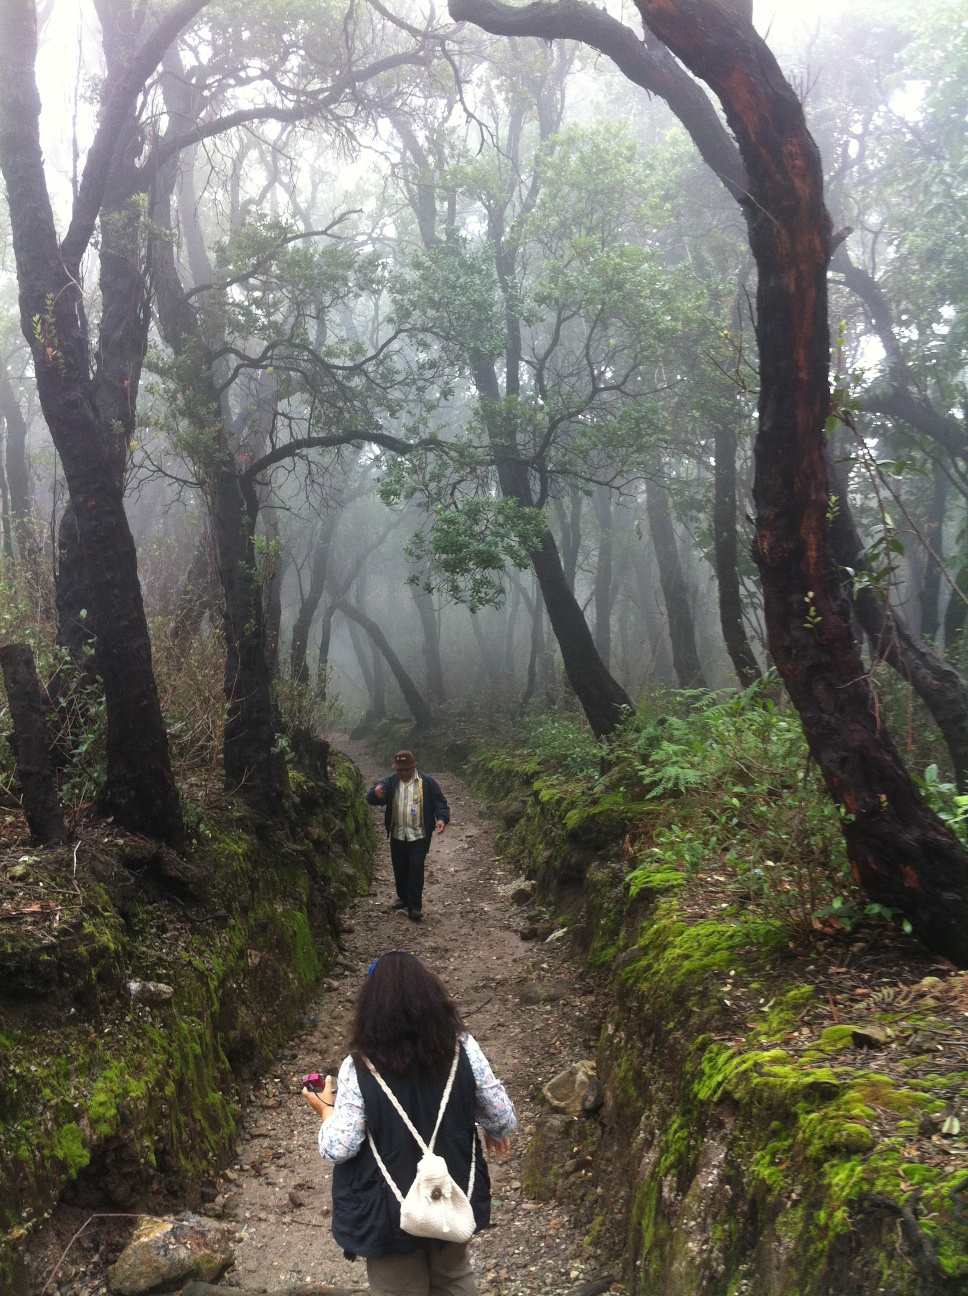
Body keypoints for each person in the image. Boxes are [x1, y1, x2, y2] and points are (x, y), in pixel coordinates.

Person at [302, 950, 516, 1296]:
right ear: (432, 999)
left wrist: (326, 1111)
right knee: (454, 1277)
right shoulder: (463, 1048)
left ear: (370, 1008)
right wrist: (494, 1130)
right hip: (450, 1193)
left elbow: (339, 1147)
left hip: (388, 1211)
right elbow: (503, 1118)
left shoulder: (358, 1068)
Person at [366, 750, 450, 922]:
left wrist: (441, 818)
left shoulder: (426, 782)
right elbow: (373, 797)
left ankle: (415, 906)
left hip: (419, 835)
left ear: (414, 767)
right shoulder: (391, 782)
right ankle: (402, 897)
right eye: (399, 770)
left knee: (416, 868)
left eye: (406, 770)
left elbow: (439, 803)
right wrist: (374, 793)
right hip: (398, 834)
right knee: (400, 867)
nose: (403, 773)